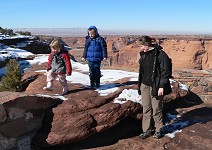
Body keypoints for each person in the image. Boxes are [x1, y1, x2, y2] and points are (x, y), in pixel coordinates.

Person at [138, 35, 172, 139]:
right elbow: (142, 71)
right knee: (146, 109)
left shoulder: (160, 54)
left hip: (156, 86)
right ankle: (147, 130)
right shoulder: (143, 54)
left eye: (142, 46)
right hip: (144, 85)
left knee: (156, 109)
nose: (141, 48)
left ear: (147, 45)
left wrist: (162, 86)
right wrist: (140, 85)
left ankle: (159, 130)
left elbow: (165, 72)